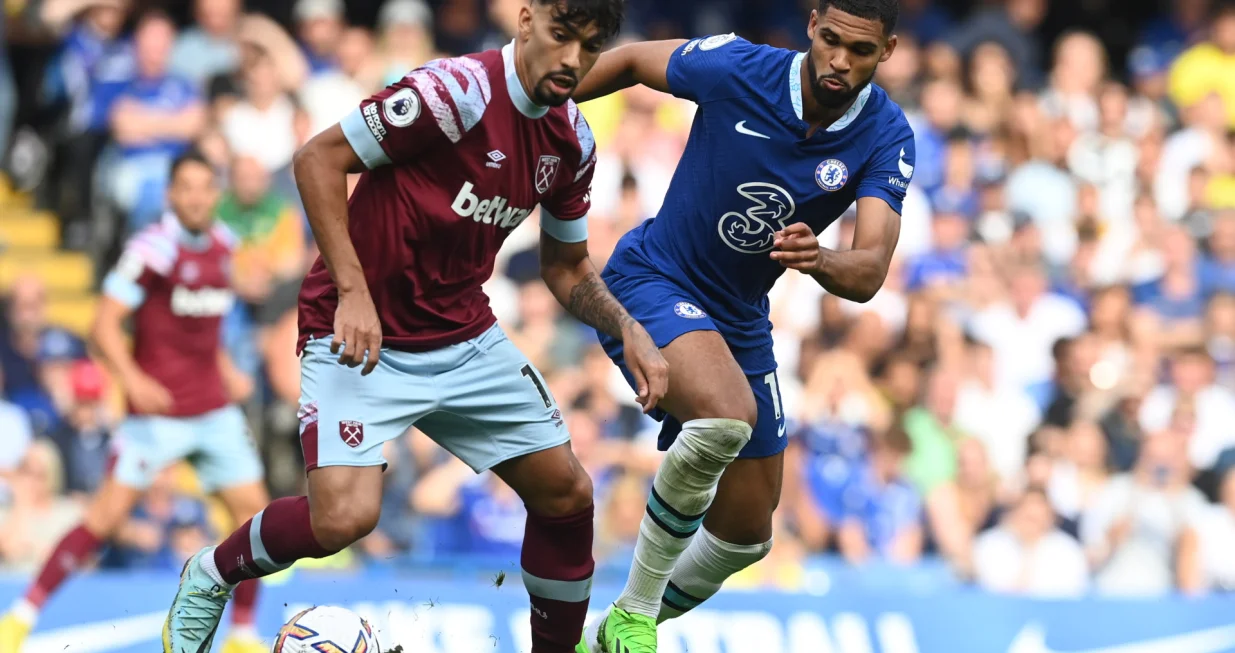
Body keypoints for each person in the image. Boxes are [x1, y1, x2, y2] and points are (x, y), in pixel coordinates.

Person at [162, 2, 668, 653]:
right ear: (525, 21)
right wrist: (351, 289)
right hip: (356, 330)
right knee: (343, 517)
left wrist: (624, 326)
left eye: (590, 45)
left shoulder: (573, 142)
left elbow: (565, 265)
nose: (572, 59)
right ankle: (210, 572)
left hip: (462, 335)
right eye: (560, 35)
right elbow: (316, 159)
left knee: (567, 491)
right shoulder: (452, 93)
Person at [570, 0, 914, 650]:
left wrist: (821, 259)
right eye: (832, 40)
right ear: (812, 25)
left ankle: (607, 634)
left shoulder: (885, 134)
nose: (840, 61)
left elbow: (869, 270)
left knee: (746, 535)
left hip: (739, 319)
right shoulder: (739, 68)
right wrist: (535, 103)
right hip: (652, 278)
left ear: (886, 52)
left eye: (860, 51)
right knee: (727, 415)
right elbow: (631, 60)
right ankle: (634, 615)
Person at [0, 152, 271, 653]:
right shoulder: (153, 249)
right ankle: (20, 615)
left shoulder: (224, 244)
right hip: (157, 415)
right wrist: (131, 379)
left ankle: (242, 633)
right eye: (185, 188)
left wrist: (228, 369)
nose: (195, 197)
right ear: (170, 194)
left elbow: (200, 327)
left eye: (204, 187)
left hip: (212, 409)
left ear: (217, 193)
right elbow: (103, 325)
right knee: (103, 520)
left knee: (254, 517)